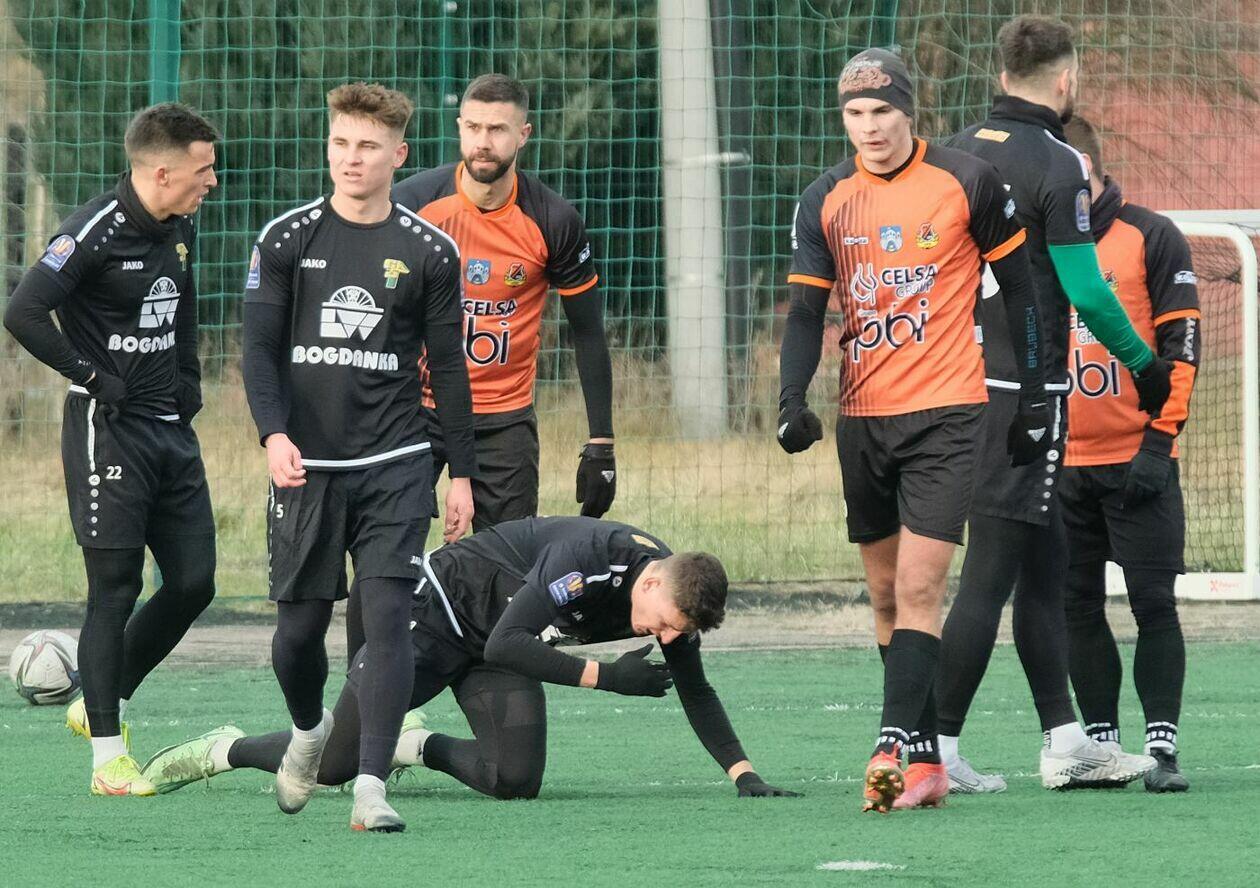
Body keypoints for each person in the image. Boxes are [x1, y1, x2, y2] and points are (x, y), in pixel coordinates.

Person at [776, 48, 1049, 812]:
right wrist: (790, 399)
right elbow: (806, 311)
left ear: (908, 110)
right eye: (855, 114)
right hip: (864, 418)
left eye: (882, 112)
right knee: (885, 596)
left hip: (948, 411)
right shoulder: (825, 198)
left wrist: (1033, 398)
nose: (869, 127)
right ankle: (927, 764)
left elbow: (1022, 293)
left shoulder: (968, 180)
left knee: (921, 585)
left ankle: (889, 749)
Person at [141, 517, 798, 807]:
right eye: (665, 622)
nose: (664, 635)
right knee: (333, 767)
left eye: (675, 631)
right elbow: (508, 643)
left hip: (501, 642)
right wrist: (606, 678)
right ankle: (224, 749)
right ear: (651, 581)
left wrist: (743, 773)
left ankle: (412, 746)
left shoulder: (674, 594)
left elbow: (695, 688)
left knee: (514, 780)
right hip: (434, 617)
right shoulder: (590, 560)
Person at [935, 15, 1165, 792]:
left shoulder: (954, 149)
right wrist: (1143, 363)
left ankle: (1066, 739)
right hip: (1024, 392)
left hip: (952, 380)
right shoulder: (1059, 161)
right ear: (1065, 80)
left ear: (1001, 74)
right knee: (990, 572)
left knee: (1047, 561)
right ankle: (936, 747)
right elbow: (1086, 289)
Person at [241, 82, 477, 832]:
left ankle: (372, 786)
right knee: (298, 635)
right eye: (341, 143)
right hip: (307, 468)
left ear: (398, 155)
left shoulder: (429, 251)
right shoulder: (286, 238)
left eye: (368, 146)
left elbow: (449, 367)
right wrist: (274, 435)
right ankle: (309, 729)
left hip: (397, 461)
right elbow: (257, 351)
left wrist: (462, 473)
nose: (352, 158)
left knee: (387, 619)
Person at [345, 73, 616, 664]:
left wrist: (601, 442)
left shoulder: (553, 219)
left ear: (524, 134)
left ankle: (493, 686)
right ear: (459, 129)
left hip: (503, 419)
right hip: (412, 412)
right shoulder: (414, 203)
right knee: (384, 557)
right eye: (472, 127)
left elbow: (589, 333)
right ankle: (363, 691)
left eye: (497, 129)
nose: (483, 142)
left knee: (508, 572)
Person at [4, 103, 220, 796]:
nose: (212, 180)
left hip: (170, 429)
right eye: (203, 169)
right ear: (162, 172)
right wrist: (95, 377)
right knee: (116, 588)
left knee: (194, 582)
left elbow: (181, 304)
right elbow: (23, 311)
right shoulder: (92, 230)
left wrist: (189, 383)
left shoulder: (181, 224)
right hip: (109, 428)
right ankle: (107, 755)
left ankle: (99, 693)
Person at [1059, 116, 1199, 792]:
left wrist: (1158, 441)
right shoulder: (1030, 242)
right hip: (1059, 469)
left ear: (1086, 167)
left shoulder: (1152, 235)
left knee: (1153, 603)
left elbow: (1183, 349)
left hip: (1138, 460)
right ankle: (1101, 747)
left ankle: (1162, 749)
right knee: (1077, 607)